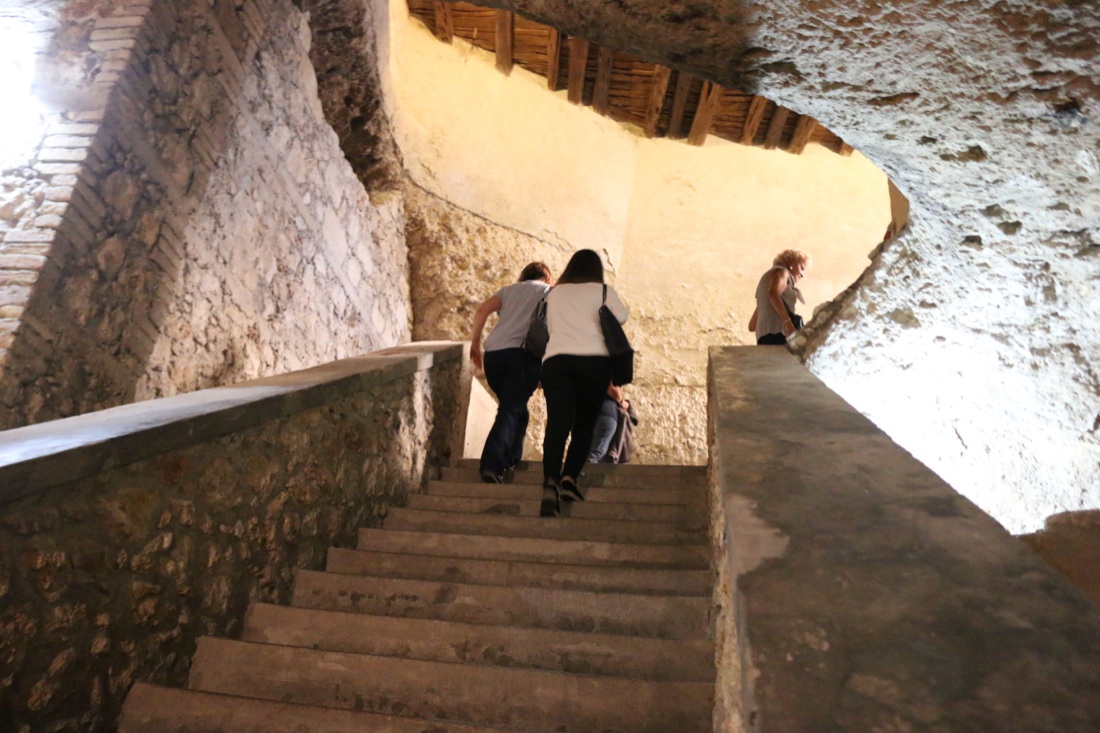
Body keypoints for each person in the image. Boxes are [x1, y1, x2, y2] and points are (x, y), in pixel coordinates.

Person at [540, 249, 628, 517]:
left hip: (557, 361)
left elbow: (546, 324)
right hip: (594, 362)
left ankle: (550, 482)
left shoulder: (554, 293)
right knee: (584, 426)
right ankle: (570, 478)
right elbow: (622, 317)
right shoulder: (603, 291)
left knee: (557, 425)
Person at [469, 262, 553, 483]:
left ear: (523, 276)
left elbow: (482, 310)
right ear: (546, 278)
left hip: (494, 356)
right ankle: (492, 464)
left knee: (516, 409)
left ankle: (512, 458)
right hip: (522, 357)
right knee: (510, 410)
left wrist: (474, 344)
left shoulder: (508, 291)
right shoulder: (548, 292)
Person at [748, 249, 811, 345]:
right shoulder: (783, 272)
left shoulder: (767, 281)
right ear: (791, 263)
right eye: (802, 268)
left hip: (764, 337)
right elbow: (773, 295)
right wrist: (789, 325)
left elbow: (752, 326)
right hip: (777, 335)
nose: (802, 275)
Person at [588, 384, 638, 464]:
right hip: (604, 413)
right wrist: (623, 402)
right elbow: (612, 388)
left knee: (583, 453)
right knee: (596, 455)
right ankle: (583, 474)